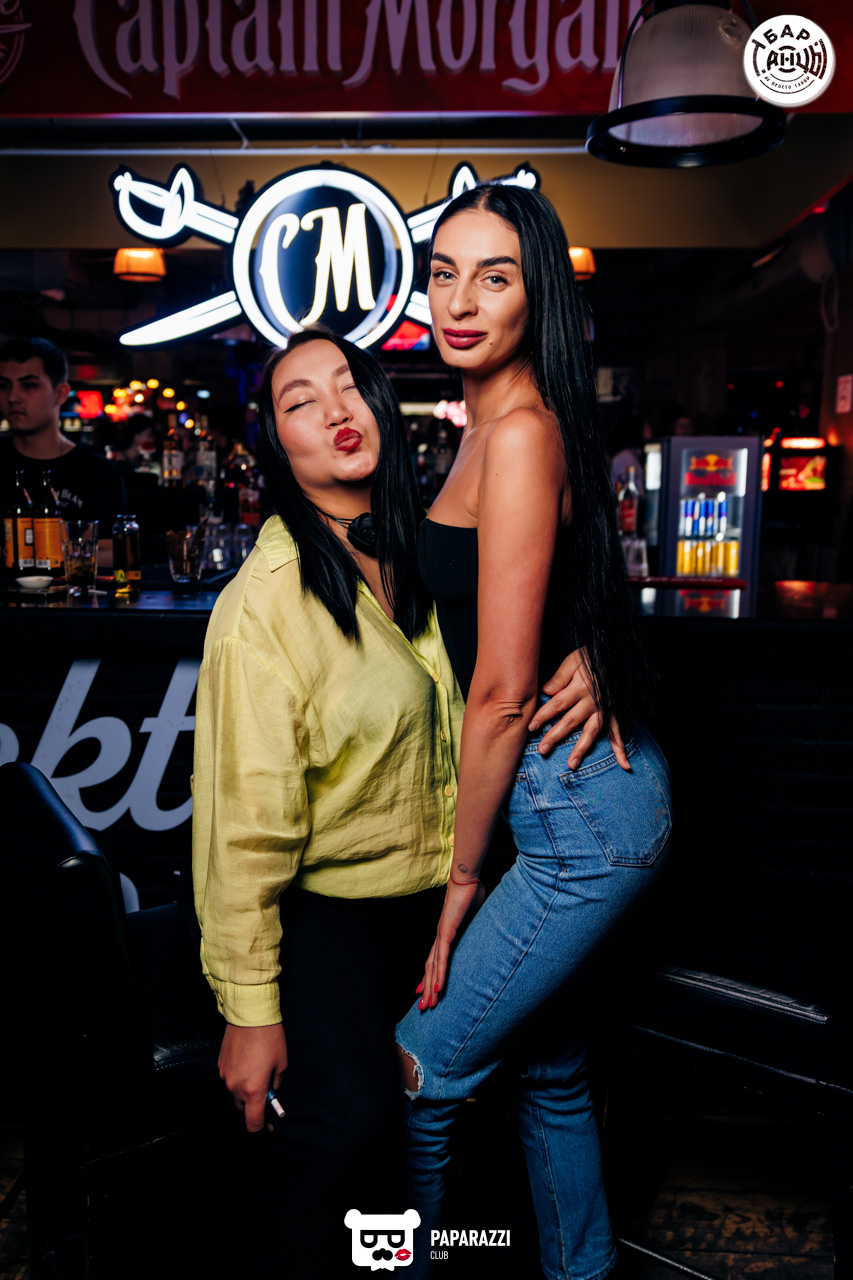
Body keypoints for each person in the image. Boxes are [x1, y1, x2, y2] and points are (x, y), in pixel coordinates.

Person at [191, 328, 618, 1279]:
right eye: (301, 401)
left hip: (454, 895)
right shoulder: (264, 603)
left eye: (350, 385)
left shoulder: (429, 547)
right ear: (275, 444)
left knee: (499, 1108)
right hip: (335, 910)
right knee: (351, 1122)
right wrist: (249, 1011)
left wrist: (594, 650)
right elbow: (241, 828)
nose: (337, 410)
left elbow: (541, 607)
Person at [393, 183, 673, 1280]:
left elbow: (503, 691)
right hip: (570, 804)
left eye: (494, 276)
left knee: (422, 1061)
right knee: (549, 1073)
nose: (460, 301)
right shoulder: (488, 429)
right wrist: (600, 643)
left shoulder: (519, 434)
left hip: (578, 819)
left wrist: (461, 883)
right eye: (443, 273)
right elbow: (559, 598)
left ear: (536, 294)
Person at [0, 338, 126, 546]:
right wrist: (75, 547)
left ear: (60, 393)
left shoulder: (98, 473)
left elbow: (112, 552)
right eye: (4, 385)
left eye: (28, 385)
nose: (13, 397)